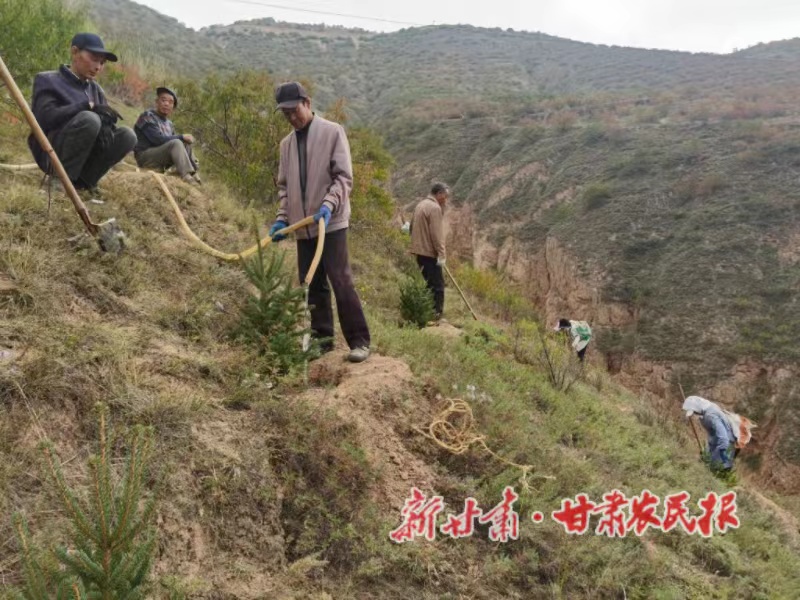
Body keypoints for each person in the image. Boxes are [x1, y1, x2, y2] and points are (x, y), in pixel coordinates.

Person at [267, 81, 371, 363]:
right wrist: (281, 220)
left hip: (331, 222)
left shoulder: (332, 132)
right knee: (312, 283)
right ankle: (322, 340)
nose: (291, 117)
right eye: (285, 113)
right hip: (303, 227)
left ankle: (359, 341)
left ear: (307, 103)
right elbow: (285, 188)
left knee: (340, 278)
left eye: (294, 110)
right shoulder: (286, 145)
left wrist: (328, 205)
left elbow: (343, 178)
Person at [28, 33, 136, 193]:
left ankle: (85, 182)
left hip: (84, 157)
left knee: (128, 135)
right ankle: (59, 179)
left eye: (102, 62)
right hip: (51, 152)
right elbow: (44, 119)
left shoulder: (96, 89)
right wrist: (86, 106)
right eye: (93, 59)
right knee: (90, 119)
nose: (98, 67)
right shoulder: (48, 80)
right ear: (74, 52)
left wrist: (107, 126)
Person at [134, 86, 201, 185]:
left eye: (170, 102)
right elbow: (158, 140)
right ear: (157, 102)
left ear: (172, 108)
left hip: (160, 158)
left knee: (185, 143)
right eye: (163, 100)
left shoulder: (169, 124)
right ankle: (186, 176)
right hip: (145, 157)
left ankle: (193, 173)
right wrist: (181, 137)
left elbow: (171, 141)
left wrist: (183, 139)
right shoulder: (147, 116)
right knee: (177, 142)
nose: (166, 104)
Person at [683, 396, 755, 472]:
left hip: (726, 446)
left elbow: (723, 438)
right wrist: (708, 451)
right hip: (721, 443)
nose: (695, 413)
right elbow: (714, 434)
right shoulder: (709, 408)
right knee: (708, 464)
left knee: (717, 470)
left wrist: (714, 456)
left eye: (694, 411)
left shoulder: (711, 416)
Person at [409, 183, 449, 319]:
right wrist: (442, 254)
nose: (446, 199)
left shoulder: (421, 204)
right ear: (439, 194)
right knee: (438, 286)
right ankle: (436, 314)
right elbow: (436, 234)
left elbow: (411, 226)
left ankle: (427, 311)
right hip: (430, 253)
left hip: (419, 253)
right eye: (445, 196)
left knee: (429, 283)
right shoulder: (434, 208)